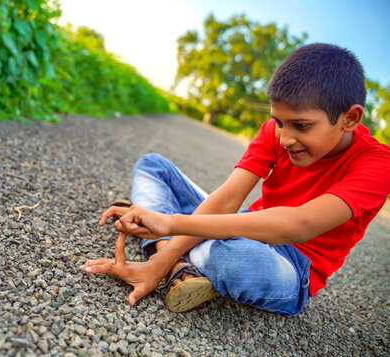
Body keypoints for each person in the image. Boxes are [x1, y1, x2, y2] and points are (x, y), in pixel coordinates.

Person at [80, 43, 390, 315]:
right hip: (243, 223)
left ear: (350, 118)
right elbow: (229, 198)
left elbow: (299, 224)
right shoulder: (277, 130)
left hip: (291, 267)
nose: (285, 138)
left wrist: (172, 223)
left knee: (235, 258)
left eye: (302, 126)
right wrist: (157, 267)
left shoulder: (377, 164)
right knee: (153, 165)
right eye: (279, 122)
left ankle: (160, 230)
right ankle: (174, 264)